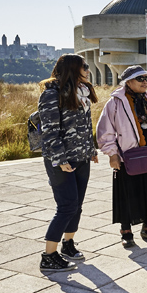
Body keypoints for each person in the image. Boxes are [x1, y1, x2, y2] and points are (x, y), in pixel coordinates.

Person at [96, 65, 147, 246]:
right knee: (126, 194)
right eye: (140, 79)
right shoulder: (115, 102)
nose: (145, 82)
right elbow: (105, 131)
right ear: (128, 82)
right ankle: (126, 232)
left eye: (146, 79)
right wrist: (112, 154)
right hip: (126, 157)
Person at [37, 54, 99, 273]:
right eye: (85, 66)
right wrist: (60, 159)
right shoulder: (51, 94)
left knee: (77, 205)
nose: (88, 70)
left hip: (82, 157)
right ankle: (48, 256)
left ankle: (68, 244)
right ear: (73, 68)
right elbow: (49, 130)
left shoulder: (81, 92)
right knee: (67, 206)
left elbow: (84, 125)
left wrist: (91, 149)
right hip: (61, 159)